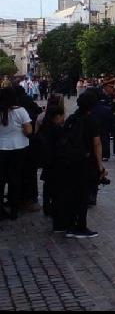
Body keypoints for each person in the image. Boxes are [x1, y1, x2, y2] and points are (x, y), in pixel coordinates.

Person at [62, 92, 104, 238]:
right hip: (86, 161)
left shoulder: (72, 118)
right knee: (83, 195)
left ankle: (69, 224)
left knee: (72, 192)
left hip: (70, 161)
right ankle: (80, 227)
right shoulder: (91, 120)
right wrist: (100, 165)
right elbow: (96, 143)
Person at [0, 87, 33, 220]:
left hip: (1, 148)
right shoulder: (20, 111)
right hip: (18, 147)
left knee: (0, 180)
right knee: (15, 179)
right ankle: (14, 209)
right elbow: (28, 130)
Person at [37, 104, 68, 231]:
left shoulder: (44, 127)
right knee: (55, 188)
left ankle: (46, 207)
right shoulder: (57, 130)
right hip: (55, 162)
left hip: (46, 162)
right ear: (58, 116)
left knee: (47, 186)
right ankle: (54, 209)